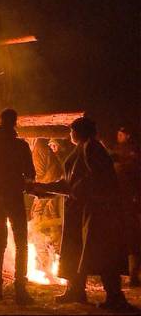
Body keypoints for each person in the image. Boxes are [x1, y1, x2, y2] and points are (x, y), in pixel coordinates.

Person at [33, 117, 135, 311]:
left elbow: (92, 181)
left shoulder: (93, 150)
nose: (70, 134)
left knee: (103, 253)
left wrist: (71, 190)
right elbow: (69, 183)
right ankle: (76, 290)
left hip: (97, 213)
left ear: (79, 132)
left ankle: (115, 297)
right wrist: (42, 188)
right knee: (76, 250)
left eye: (72, 130)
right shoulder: (82, 149)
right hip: (81, 212)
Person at [0, 109, 35, 304]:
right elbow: (30, 172)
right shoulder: (20, 146)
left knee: (0, 240)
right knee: (21, 242)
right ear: (15, 123)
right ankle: (20, 290)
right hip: (13, 195)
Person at [111, 126, 141, 287]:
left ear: (128, 135)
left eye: (121, 134)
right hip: (120, 202)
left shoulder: (133, 152)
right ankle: (127, 274)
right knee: (124, 239)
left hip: (131, 202)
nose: (118, 136)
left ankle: (133, 276)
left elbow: (134, 175)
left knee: (133, 240)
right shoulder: (119, 150)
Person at [30, 138, 64, 252]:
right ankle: (54, 252)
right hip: (53, 188)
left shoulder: (38, 148)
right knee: (49, 215)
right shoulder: (41, 147)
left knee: (38, 219)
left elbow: (40, 176)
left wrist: (36, 192)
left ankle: (48, 252)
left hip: (49, 188)